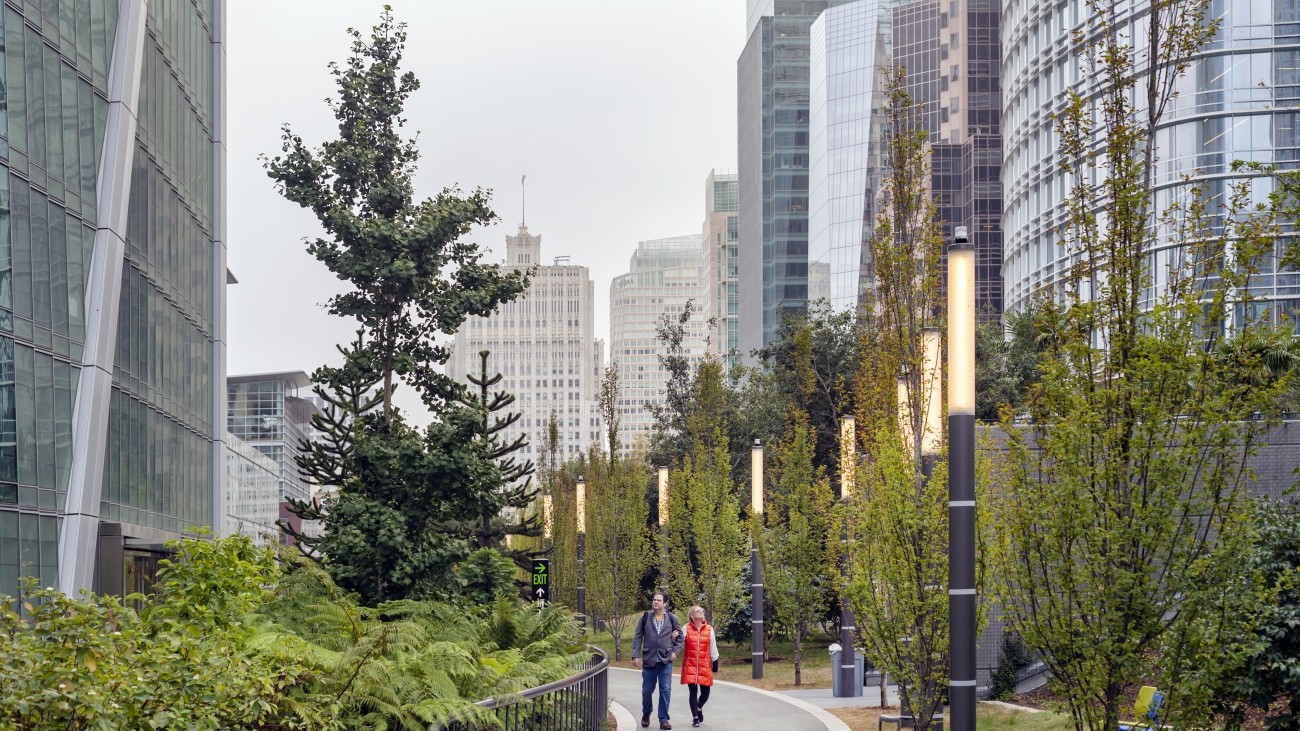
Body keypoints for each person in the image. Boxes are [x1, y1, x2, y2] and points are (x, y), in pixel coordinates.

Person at [632, 591, 684, 730]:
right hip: (649, 660)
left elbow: (680, 638)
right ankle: (646, 713)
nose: (655, 602)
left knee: (665, 690)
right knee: (647, 691)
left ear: (665, 603)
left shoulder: (672, 619)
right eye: (654, 600)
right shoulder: (645, 617)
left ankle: (664, 719)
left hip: (665, 661)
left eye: (659, 600)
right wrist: (635, 655)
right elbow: (638, 637)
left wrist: (675, 652)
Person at [679, 605, 719, 727]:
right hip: (690, 664)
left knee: (706, 693)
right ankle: (695, 717)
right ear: (692, 615)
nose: (701, 612)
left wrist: (715, 659)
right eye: (697, 611)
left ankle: (699, 707)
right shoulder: (686, 628)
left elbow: (713, 645)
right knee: (692, 691)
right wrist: (673, 640)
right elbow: (679, 644)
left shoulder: (709, 629)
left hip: (704, 665)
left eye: (701, 610)